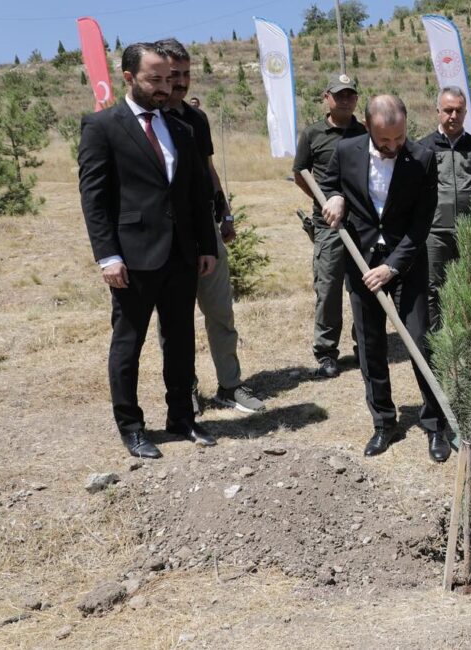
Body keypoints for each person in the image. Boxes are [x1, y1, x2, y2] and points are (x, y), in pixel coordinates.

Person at [78, 42, 218, 458]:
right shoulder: (102, 126)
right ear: (128, 78)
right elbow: (95, 199)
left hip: (180, 256)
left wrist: (205, 245)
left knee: (180, 340)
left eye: (168, 79)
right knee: (129, 343)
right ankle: (132, 427)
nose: (164, 87)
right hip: (132, 258)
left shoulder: (181, 130)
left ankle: (182, 419)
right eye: (154, 79)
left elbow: (196, 194)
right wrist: (108, 256)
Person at [319, 95, 451, 463]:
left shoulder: (422, 158)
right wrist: (334, 198)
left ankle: (435, 422)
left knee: (422, 342)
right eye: (384, 141)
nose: (393, 147)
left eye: (399, 138)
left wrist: (392, 266)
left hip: (406, 264)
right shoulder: (346, 151)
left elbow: (421, 223)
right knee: (371, 345)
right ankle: (383, 422)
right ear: (368, 126)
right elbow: (329, 182)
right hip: (361, 261)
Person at [158, 38, 265, 415]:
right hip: (170, 237)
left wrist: (226, 214)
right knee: (176, 319)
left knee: (221, 312)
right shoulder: (150, 122)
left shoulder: (196, 118)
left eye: (187, 74)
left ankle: (230, 385)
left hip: (207, 229)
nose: (182, 82)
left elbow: (207, 170)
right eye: (174, 75)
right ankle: (184, 387)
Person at [293, 74, 367, 380]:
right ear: (327, 97)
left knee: (362, 288)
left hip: (360, 222)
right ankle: (326, 352)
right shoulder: (313, 134)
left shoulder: (363, 132)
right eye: (340, 95)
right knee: (328, 288)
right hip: (328, 224)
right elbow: (300, 172)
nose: (346, 100)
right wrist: (321, 200)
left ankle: (363, 345)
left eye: (351, 95)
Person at [418, 86, 471, 330]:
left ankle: (464, 331)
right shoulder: (422, 148)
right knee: (433, 285)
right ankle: (436, 337)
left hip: (468, 231)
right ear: (438, 111)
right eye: (448, 110)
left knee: (468, 284)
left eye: (459, 111)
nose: (453, 115)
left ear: (465, 113)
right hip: (434, 232)